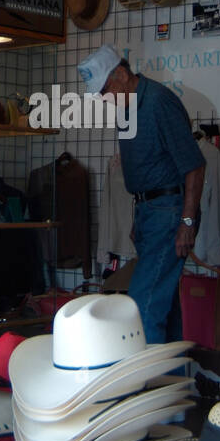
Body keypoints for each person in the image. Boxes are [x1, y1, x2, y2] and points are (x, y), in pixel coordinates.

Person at [79, 44, 205, 343]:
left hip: (169, 212)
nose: (104, 98)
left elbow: (195, 166)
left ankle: (143, 387)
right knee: (163, 304)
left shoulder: (159, 102)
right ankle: (172, 385)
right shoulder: (128, 108)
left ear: (121, 74)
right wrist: (139, 214)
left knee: (142, 308)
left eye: (105, 89)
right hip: (151, 211)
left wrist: (186, 222)